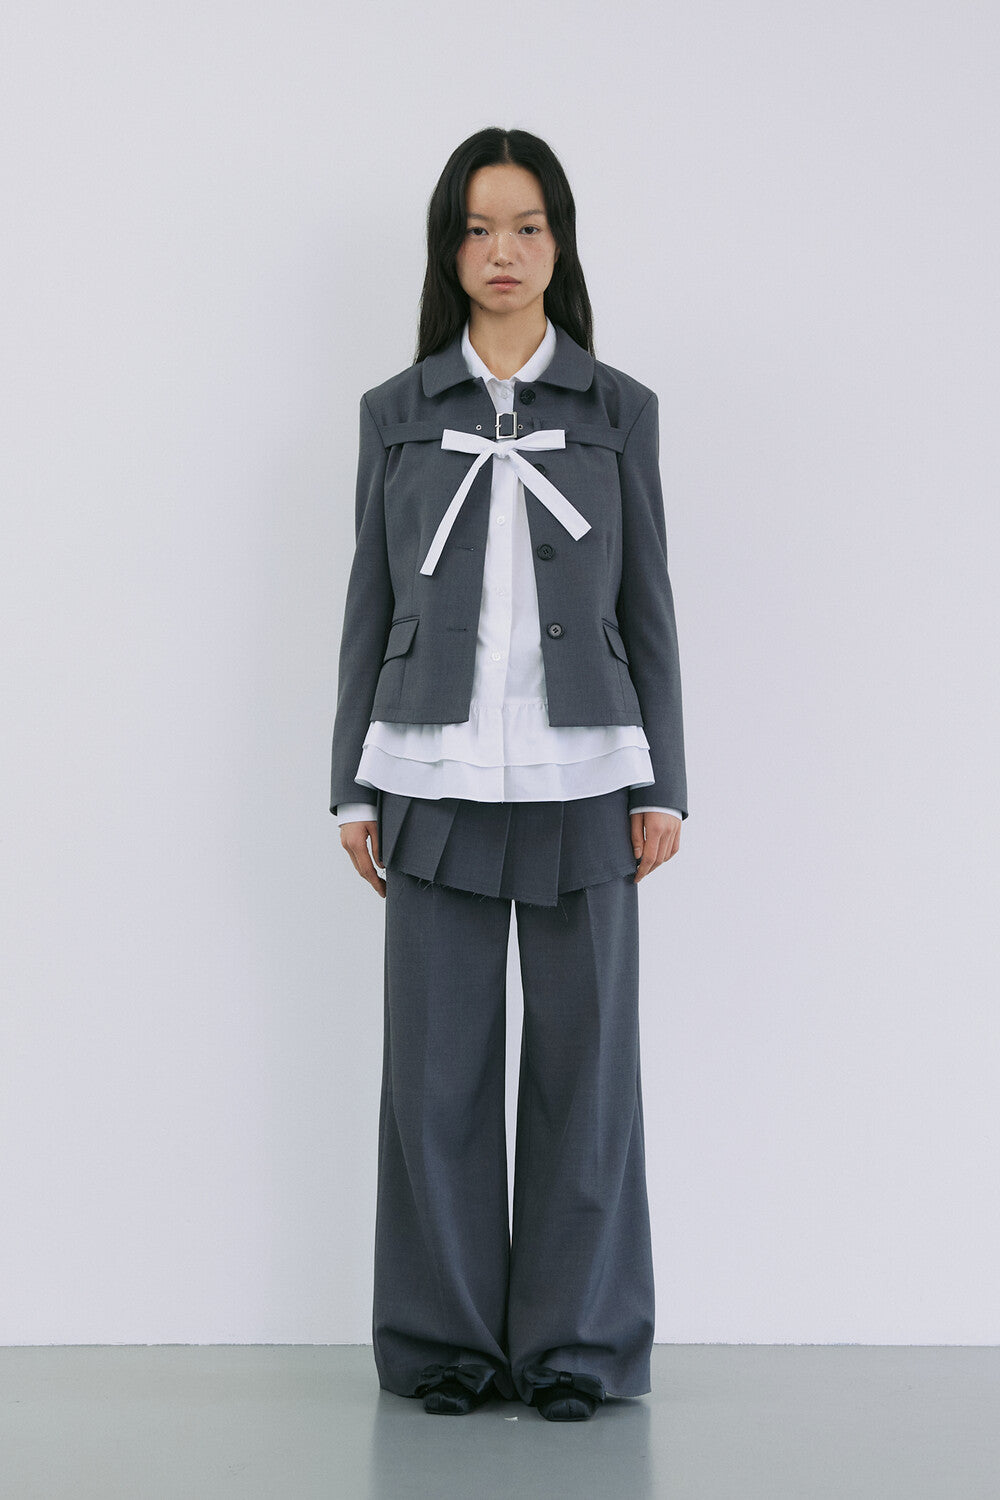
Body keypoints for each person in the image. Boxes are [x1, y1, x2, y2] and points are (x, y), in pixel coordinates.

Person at [330, 126, 687, 1422]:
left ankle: (575, 1349)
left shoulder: (619, 409)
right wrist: (351, 786)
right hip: (428, 774)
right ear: (449, 249)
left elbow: (650, 608)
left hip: (588, 772)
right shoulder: (395, 412)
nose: (503, 251)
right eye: (478, 228)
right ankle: (445, 1346)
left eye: (527, 227)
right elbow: (367, 607)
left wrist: (665, 782)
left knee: (588, 1075)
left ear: (559, 243)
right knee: (436, 1074)